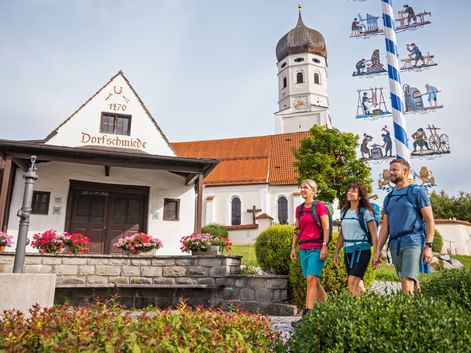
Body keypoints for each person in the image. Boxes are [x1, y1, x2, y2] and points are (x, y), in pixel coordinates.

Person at [373, 159, 435, 294]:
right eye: (390, 170)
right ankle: (421, 306)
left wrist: (428, 246)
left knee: (407, 280)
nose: (391, 173)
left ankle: (406, 314)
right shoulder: (389, 197)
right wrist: (378, 250)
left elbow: (429, 220)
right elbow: (385, 227)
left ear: (406, 171)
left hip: (413, 240)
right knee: (406, 279)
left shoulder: (417, 192)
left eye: (395, 170)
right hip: (395, 244)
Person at [290, 179, 329, 325]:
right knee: (314, 282)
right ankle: (329, 308)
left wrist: (325, 245)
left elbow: (326, 227)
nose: (302, 190)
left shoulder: (319, 206)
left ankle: (307, 315)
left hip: (317, 248)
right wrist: (293, 247)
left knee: (311, 280)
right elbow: (297, 229)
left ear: (313, 190)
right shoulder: (299, 209)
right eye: (301, 188)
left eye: (305, 188)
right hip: (303, 249)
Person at [334, 183, 378, 297]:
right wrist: (337, 251)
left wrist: (376, 254)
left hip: (362, 250)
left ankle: (355, 312)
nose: (350, 193)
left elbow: (374, 234)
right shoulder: (344, 212)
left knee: (352, 282)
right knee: (357, 285)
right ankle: (367, 304)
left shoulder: (366, 212)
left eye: (353, 191)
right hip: (348, 251)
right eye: (349, 190)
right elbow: (342, 234)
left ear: (359, 196)